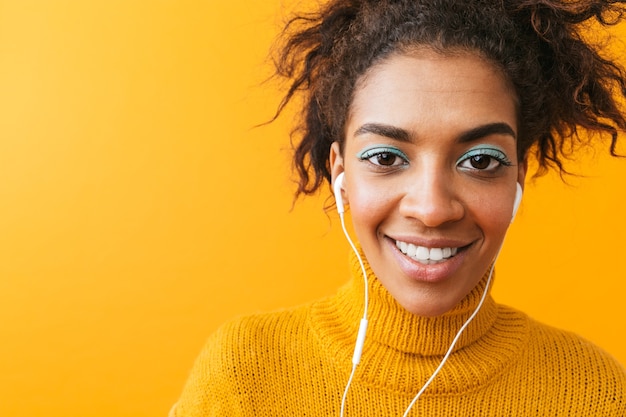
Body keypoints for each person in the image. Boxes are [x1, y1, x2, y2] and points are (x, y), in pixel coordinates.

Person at [170, 0, 626, 415]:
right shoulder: (242, 375)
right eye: (386, 158)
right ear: (340, 173)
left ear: (518, 179)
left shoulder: (596, 394)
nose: (431, 209)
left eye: (481, 160)